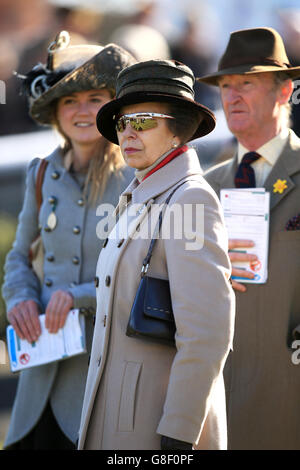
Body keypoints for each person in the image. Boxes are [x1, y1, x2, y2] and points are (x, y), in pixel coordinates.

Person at [77, 59, 235, 450]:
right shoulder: (138, 195)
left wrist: (179, 434)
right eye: (122, 122)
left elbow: (207, 334)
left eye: (144, 120)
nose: (128, 132)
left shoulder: (190, 199)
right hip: (116, 415)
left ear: (178, 128)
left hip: (155, 426)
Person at [2, 31, 136, 450]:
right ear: (56, 112)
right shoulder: (39, 172)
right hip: (38, 375)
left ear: (112, 109)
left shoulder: (136, 179)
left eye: (94, 99)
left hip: (102, 377)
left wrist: (78, 294)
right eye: (69, 101)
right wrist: (19, 298)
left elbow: (141, 275)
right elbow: (19, 257)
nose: (81, 111)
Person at [198, 27, 300, 449]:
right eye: (225, 85)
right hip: (221, 403)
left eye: (247, 83)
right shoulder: (203, 189)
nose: (232, 96)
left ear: (284, 92)